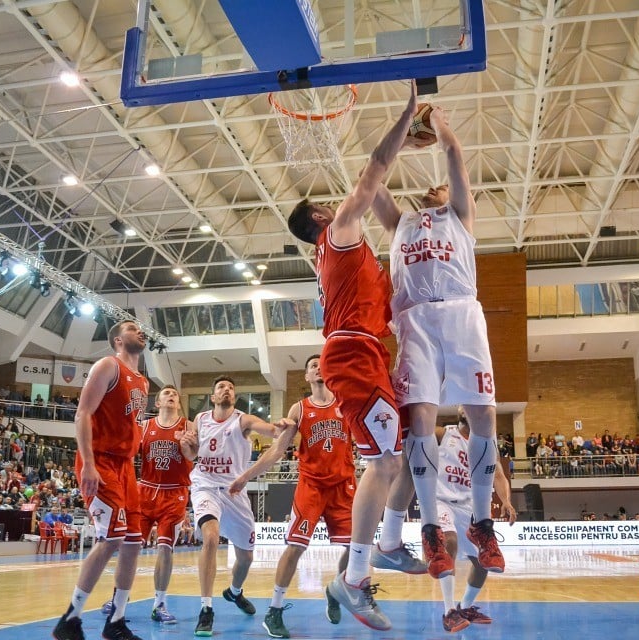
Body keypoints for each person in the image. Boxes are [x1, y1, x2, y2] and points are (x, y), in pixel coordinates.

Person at [286, 81, 420, 632]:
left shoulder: (349, 247)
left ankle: (387, 544)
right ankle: (356, 577)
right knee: (385, 462)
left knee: (411, 453)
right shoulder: (339, 233)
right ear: (321, 214)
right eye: (327, 203)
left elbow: (384, 201)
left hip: (369, 352)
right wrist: (407, 116)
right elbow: (372, 172)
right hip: (352, 354)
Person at [370, 103, 504, 580]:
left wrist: (442, 130)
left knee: (483, 414)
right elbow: (371, 178)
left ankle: (483, 525)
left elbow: (455, 156)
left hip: (461, 311)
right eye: (434, 188)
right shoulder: (399, 223)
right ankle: (429, 530)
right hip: (414, 321)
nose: (437, 188)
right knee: (421, 419)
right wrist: (403, 138)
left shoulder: (461, 216)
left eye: (443, 187)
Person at [228, 353, 357, 639]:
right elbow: (275, 451)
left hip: (343, 485)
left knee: (357, 547)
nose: (319, 368)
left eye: (323, 364)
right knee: (296, 547)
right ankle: (273, 610)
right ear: (308, 377)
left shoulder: (346, 403)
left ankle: (336, 589)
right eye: (313, 366)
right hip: (311, 485)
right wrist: (244, 477)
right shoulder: (299, 409)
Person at [52, 320, 150, 640]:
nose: (141, 331)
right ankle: (71, 616)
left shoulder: (143, 382)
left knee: (134, 543)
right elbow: (83, 413)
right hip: (101, 460)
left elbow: (132, 427)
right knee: (111, 538)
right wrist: (89, 464)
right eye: (133, 328)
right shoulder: (108, 366)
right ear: (118, 340)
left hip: (126, 466)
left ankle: (116, 620)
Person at [191, 375, 280, 637]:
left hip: (234, 490)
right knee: (210, 538)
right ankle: (206, 609)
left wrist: (279, 428)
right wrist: (186, 445)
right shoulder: (200, 420)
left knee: (246, 557)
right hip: (205, 485)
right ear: (213, 397)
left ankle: (234, 592)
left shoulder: (243, 419)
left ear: (234, 396)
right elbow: (191, 453)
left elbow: (271, 430)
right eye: (221, 387)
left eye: (231, 387)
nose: (227, 390)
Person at [102, 384, 198, 624]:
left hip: (174, 493)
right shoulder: (144, 427)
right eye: (166, 393)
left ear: (178, 402)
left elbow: (194, 457)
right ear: (157, 403)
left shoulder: (189, 426)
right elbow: (127, 453)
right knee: (130, 549)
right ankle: (117, 599)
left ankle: (160, 603)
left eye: (175, 394)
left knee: (165, 548)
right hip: (144, 490)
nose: (172, 395)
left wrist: (188, 445)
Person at [434, 415, 515, 632]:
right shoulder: (444, 433)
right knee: (448, 541)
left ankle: (466, 607)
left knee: (482, 563)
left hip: (470, 506)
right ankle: (449, 611)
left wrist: (506, 501)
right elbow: (416, 432)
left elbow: (498, 476)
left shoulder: (488, 443)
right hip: (442, 500)